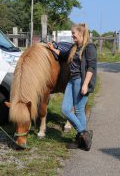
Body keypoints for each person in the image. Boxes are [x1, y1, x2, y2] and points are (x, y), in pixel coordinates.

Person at [48, 23, 97, 151]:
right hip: (71, 81)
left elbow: (91, 67)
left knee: (79, 109)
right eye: (72, 33)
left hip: (81, 81)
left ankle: (80, 139)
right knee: (65, 109)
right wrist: (53, 49)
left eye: (74, 33)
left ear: (80, 33)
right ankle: (84, 133)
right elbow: (64, 56)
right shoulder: (75, 47)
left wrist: (85, 84)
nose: (72, 35)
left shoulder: (89, 47)